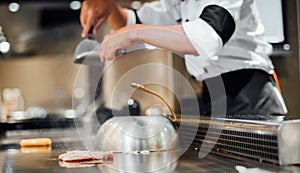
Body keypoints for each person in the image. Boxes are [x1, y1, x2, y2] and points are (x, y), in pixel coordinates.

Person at [80, 0, 288, 116]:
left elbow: (207, 37)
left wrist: (134, 32)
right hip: (212, 96)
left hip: (251, 96)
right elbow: (132, 23)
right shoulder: (179, 2)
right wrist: (110, 8)